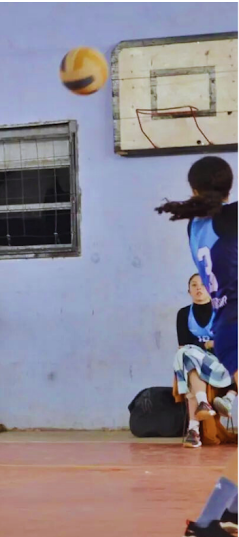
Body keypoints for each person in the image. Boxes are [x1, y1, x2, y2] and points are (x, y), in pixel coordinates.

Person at [156, 156, 237, 536]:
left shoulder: (196, 223)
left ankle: (220, 518)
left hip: (226, 327)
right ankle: (216, 520)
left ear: (193, 190)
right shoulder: (229, 220)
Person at [174, 273, 236, 448]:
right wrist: (210, 343)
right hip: (196, 361)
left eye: (203, 284)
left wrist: (208, 344)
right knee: (185, 355)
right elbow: (183, 345)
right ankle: (202, 406)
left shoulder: (222, 312)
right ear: (189, 291)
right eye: (194, 285)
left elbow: (230, 342)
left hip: (222, 362)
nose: (199, 288)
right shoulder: (183, 314)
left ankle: (225, 401)